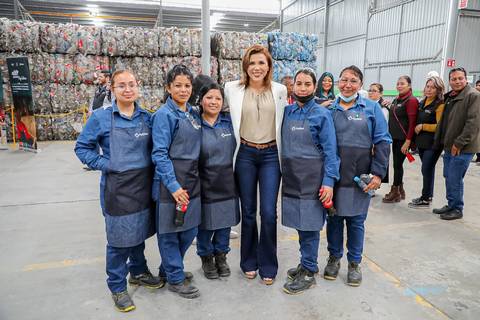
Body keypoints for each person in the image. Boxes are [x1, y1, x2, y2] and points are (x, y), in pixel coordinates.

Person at [74, 70, 161, 312]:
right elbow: (82, 148)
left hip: (143, 186)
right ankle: (117, 286)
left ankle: (139, 271)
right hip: (118, 189)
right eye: (121, 85)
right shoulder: (101, 118)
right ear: (112, 89)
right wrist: (107, 165)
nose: (127, 89)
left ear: (138, 87)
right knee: (119, 240)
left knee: (139, 232)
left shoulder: (146, 117)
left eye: (131, 84)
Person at [224, 44, 287, 285]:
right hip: (245, 154)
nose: (257, 67)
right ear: (245, 66)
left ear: (269, 66)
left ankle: (268, 264)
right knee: (248, 212)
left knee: (269, 213)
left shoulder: (280, 90)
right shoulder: (233, 89)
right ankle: (248, 261)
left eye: (261, 62)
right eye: (252, 63)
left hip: (271, 155)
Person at [325, 65, 391, 287]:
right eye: (343, 80)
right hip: (334, 176)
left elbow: (383, 141)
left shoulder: (371, 108)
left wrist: (378, 174)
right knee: (333, 220)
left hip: (360, 178)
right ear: (337, 83)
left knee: (356, 222)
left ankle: (354, 263)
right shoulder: (328, 109)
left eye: (353, 81)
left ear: (360, 85)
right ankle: (334, 258)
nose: (347, 84)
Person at [281, 68, 339, 294]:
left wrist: (328, 182)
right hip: (293, 178)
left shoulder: (322, 115)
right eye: (299, 83)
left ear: (314, 87)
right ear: (292, 86)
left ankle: (309, 270)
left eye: (307, 84)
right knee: (300, 224)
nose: (302, 87)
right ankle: (304, 262)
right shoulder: (287, 112)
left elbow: (331, 152)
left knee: (311, 226)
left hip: (313, 179)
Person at [151, 65, 202, 299]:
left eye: (187, 85)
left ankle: (168, 269)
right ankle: (174, 277)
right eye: (178, 85)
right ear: (168, 87)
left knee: (189, 230)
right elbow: (159, 154)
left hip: (191, 179)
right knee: (170, 232)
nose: (183, 90)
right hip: (170, 183)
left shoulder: (192, 113)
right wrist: (173, 186)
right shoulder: (165, 115)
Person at [195, 82, 240, 279]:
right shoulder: (195, 124)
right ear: (201, 100)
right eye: (209, 97)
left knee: (224, 223)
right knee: (205, 225)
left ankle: (221, 256)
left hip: (227, 181)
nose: (213, 102)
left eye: (218, 98)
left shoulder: (230, 123)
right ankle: (206, 257)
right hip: (204, 182)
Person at [433, 67, 480, 220]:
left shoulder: (473, 96)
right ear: (450, 81)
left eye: (460, 78)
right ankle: (451, 204)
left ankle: (457, 208)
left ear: (466, 79)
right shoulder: (451, 96)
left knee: (455, 177)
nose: (457, 81)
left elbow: (473, 123)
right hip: (449, 144)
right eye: (454, 79)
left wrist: (459, 143)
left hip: (463, 147)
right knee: (449, 175)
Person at [408, 77, 445, 209]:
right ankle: (428, 196)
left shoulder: (440, 104)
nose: (429, 89)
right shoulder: (423, 102)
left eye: (433, 87)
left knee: (426, 169)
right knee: (428, 169)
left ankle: (425, 197)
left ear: (438, 89)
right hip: (422, 143)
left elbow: (440, 126)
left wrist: (423, 126)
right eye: (427, 86)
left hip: (433, 144)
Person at [382, 75, 418, 203]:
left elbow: (412, 123)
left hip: (403, 140)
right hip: (395, 138)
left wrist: (408, 141)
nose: (399, 86)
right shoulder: (398, 99)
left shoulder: (411, 100)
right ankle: (400, 190)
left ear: (409, 85)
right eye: (398, 83)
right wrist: (388, 106)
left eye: (402, 83)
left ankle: (395, 191)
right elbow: (397, 115)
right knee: (397, 165)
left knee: (397, 165)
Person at [368, 83, 390, 185]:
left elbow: (382, 128)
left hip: (377, 140)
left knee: (376, 163)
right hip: (368, 140)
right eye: (370, 90)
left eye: (374, 91)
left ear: (380, 94)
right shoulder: (367, 105)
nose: (371, 93)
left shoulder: (383, 108)